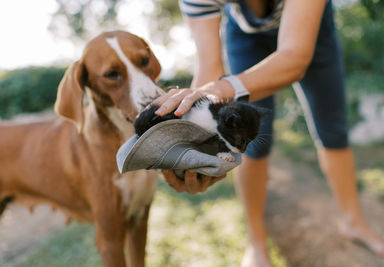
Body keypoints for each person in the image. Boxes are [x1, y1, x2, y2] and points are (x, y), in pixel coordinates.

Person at [153, 0, 384, 266]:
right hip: (245, 36)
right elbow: (209, 77)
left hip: (313, 29)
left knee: (333, 131)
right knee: (252, 143)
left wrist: (221, 89)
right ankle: (257, 244)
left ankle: (353, 221)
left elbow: (294, 58)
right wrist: (198, 144)